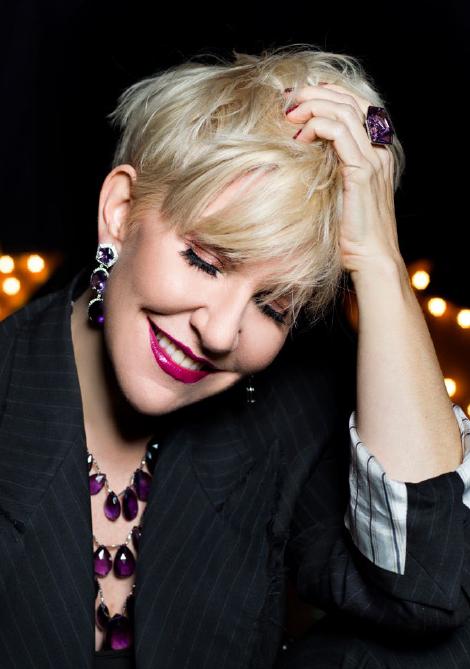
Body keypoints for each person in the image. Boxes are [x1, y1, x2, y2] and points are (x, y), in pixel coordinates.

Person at [0, 44, 469, 669]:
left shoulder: (287, 415)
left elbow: (429, 591)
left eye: (271, 307)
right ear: (120, 213)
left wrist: (379, 260)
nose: (221, 333)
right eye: (205, 260)